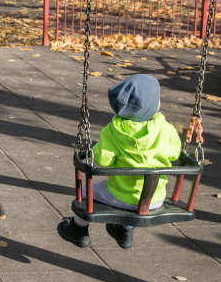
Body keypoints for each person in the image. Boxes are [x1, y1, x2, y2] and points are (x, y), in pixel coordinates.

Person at [57, 74, 182, 250]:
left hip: (120, 196)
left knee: (85, 193)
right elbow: (174, 154)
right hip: (155, 199)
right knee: (132, 202)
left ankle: (78, 230)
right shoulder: (166, 129)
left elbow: (103, 160)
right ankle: (125, 229)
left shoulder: (113, 130)